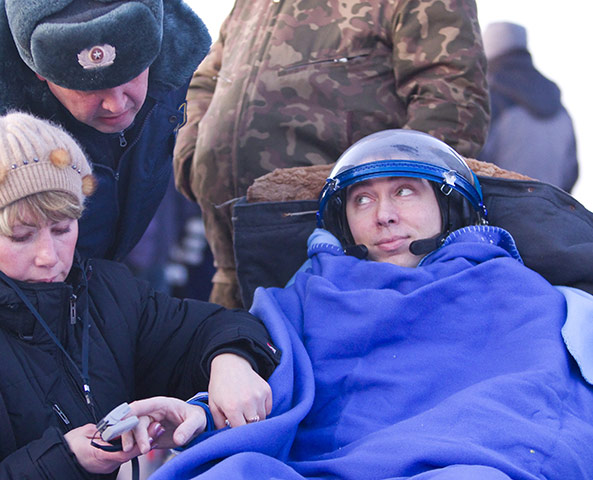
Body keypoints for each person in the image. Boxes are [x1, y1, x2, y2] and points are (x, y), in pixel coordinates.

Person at [143, 130, 593, 479]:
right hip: (317, 466)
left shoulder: (512, 286)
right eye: (363, 199)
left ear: (448, 205)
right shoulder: (309, 293)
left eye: (404, 191)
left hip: (467, 461)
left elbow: (544, 403)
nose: (383, 215)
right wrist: (201, 415)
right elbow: (266, 389)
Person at [0, 112, 280, 479]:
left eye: (62, 229)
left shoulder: (106, 291)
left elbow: (210, 327)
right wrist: (66, 459)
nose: (49, 256)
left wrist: (231, 361)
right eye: (21, 236)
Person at [0, 0, 212, 327]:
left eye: (133, 71)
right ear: (38, 69)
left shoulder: (177, 54)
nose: (117, 103)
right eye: (90, 86)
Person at [173, 0, 491, 309]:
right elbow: (207, 79)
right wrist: (192, 158)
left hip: (343, 276)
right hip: (232, 265)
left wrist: (385, 218)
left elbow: (453, 106)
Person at [479, 21, 578, 192]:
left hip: (500, 214)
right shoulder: (560, 110)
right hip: (549, 213)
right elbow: (571, 173)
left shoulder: (491, 101)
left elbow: (474, 165)